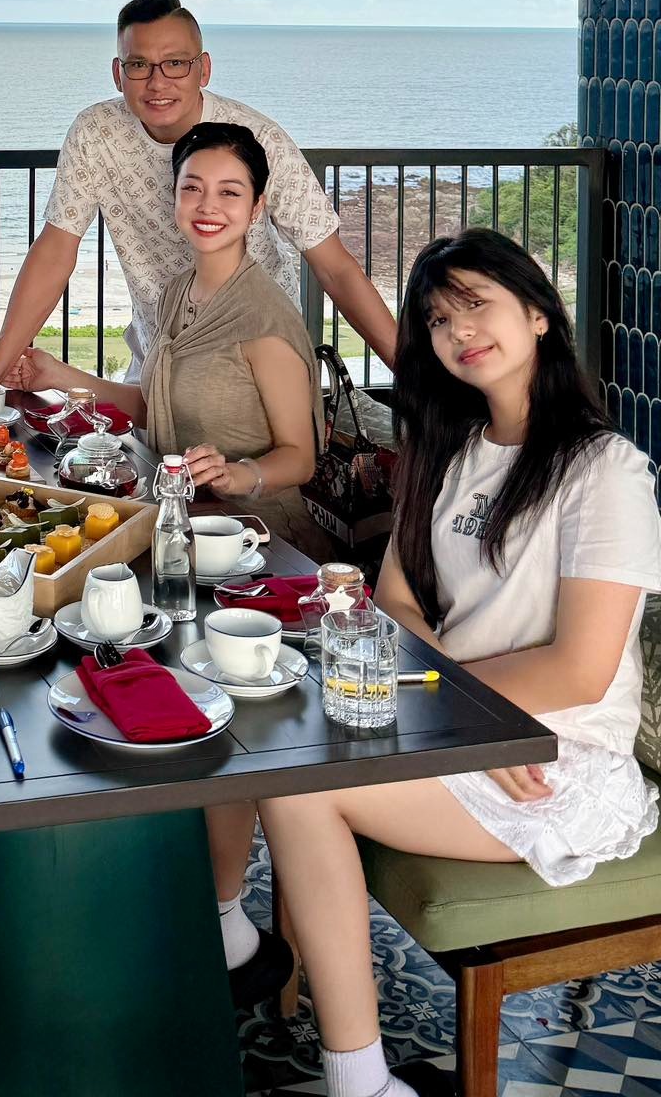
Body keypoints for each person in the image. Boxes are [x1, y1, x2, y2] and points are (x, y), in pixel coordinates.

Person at [255, 231, 661, 1097]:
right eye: (438, 319)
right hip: (462, 724)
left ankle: (360, 1081)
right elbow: (396, 604)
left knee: (297, 783)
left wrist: (455, 717)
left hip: (558, 757)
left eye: (476, 304)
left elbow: (580, 671)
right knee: (277, 741)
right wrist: (450, 717)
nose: (458, 331)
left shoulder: (605, 471)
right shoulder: (453, 450)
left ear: (539, 314)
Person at [0, 0, 397, 384]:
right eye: (139, 65)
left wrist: (414, 379)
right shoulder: (96, 132)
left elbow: (335, 267)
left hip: (257, 356)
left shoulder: (257, 139)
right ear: (118, 74)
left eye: (175, 63)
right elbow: (56, 251)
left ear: (203, 69)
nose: (157, 82)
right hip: (159, 356)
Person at [13, 121, 330, 559]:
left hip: (255, 543)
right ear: (175, 197)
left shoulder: (262, 321)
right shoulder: (177, 292)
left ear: (256, 207)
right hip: (178, 523)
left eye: (229, 192)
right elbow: (156, 406)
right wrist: (56, 375)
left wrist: (234, 474)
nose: (208, 206)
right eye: (192, 188)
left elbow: (300, 458)